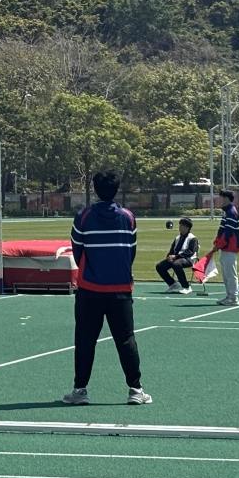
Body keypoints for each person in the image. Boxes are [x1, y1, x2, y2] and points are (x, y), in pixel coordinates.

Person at [63, 170, 151, 406]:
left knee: (85, 340)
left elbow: (78, 251)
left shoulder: (83, 217)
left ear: (95, 190)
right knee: (126, 340)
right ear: (117, 190)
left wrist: (92, 269)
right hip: (120, 289)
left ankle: (80, 390)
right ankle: (136, 389)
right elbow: (131, 251)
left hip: (89, 289)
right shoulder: (128, 217)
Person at [201, 189, 239, 306]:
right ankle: (229, 296)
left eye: (221, 197)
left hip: (230, 247)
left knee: (230, 274)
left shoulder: (231, 212)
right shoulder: (227, 211)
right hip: (225, 247)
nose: (219, 200)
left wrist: (218, 245)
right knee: (226, 274)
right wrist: (217, 242)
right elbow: (222, 230)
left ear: (226, 198)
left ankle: (233, 298)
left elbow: (228, 233)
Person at [156, 218, 198, 294]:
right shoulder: (178, 238)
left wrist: (176, 257)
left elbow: (190, 252)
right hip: (176, 258)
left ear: (186, 227)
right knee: (160, 266)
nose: (179, 227)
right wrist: (169, 257)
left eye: (181, 225)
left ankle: (186, 287)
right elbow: (172, 249)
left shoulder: (193, 238)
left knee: (176, 264)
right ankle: (172, 283)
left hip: (188, 259)